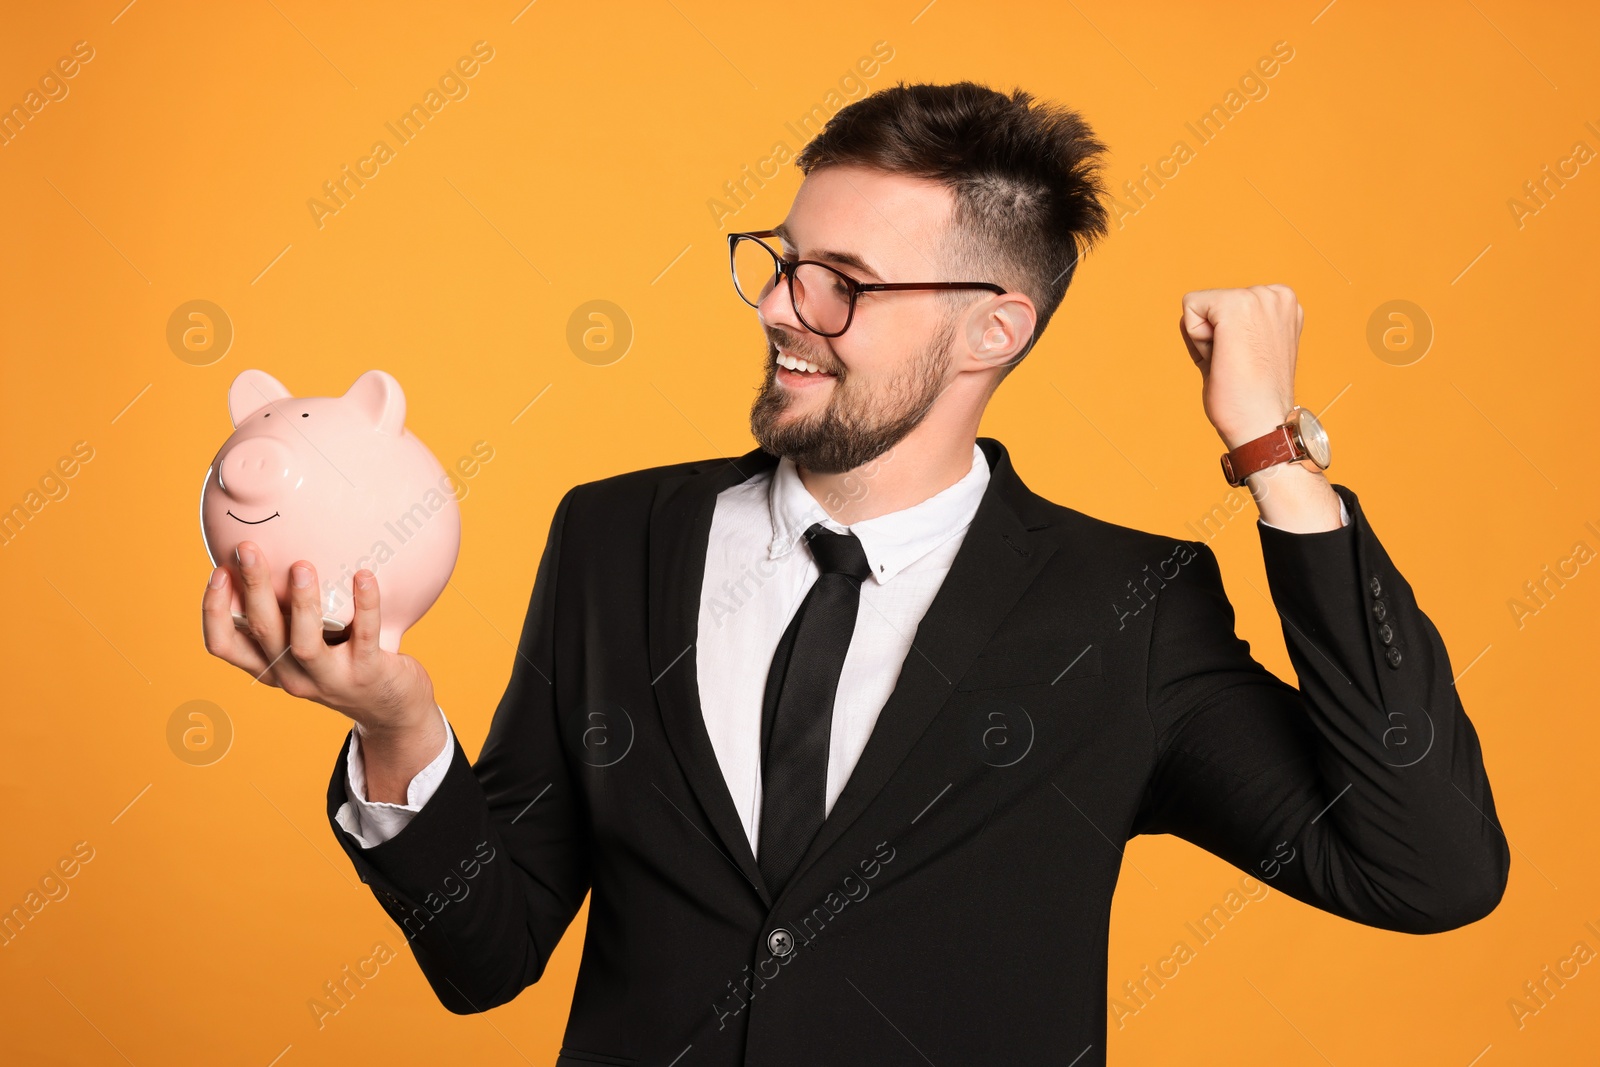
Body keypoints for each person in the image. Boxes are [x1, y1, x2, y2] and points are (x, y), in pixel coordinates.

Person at [201, 81, 1508, 1066]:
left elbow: (1427, 869)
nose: (780, 307)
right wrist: (397, 727)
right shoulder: (616, 538)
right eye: (781, 262)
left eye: (845, 284)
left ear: (993, 327)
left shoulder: (1124, 613)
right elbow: (487, 960)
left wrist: (1274, 452)